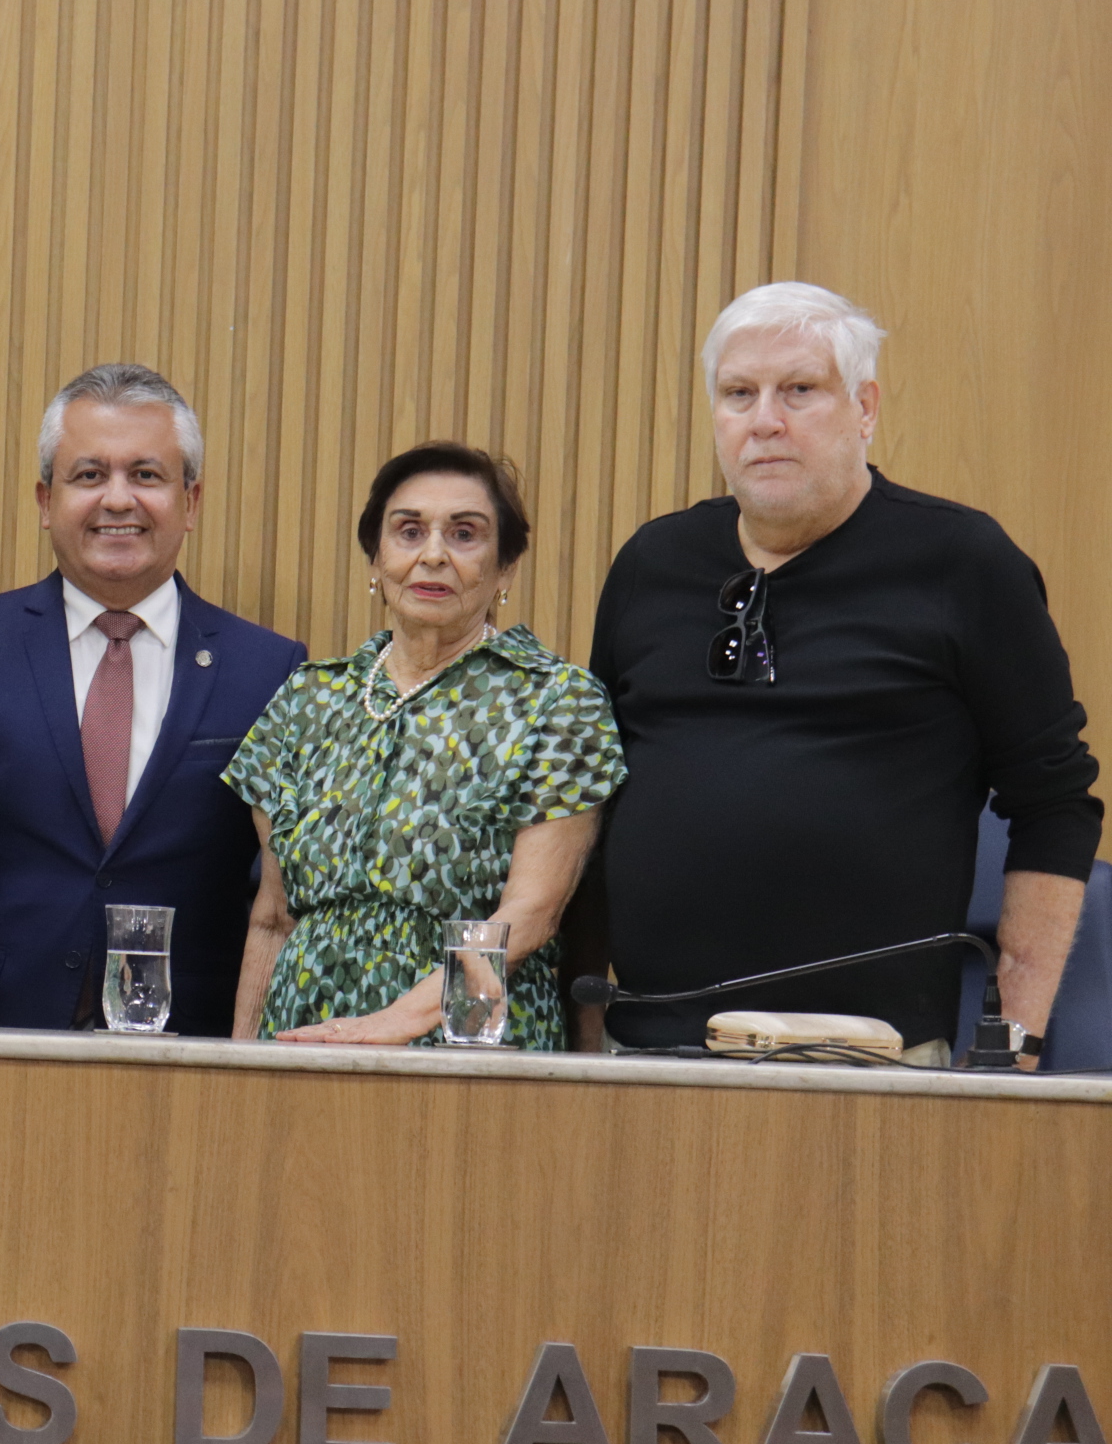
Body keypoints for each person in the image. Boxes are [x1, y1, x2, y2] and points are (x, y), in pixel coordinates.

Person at [583, 281, 1100, 1061]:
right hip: (647, 1050)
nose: (766, 420)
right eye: (739, 394)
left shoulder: (962, 563)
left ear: (865, 407)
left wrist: (1015, 1049)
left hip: (874, 1064)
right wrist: (583, 1029)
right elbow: (590, 797)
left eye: (800, 390)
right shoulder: (651, 563)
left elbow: (1054, 803)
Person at [0, 364, 305, 1034]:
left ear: (191, 502)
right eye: (90, 474)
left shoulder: (268, 669)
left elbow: (275, 900)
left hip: (194, 1048)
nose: (118, 499)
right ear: (46, 501)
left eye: (147, 475)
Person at [223, 443, 623, 1048]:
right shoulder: (307, 698)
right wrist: (242, 1064)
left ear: (506, 567)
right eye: (409, 532)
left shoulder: (559, 700)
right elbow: (273, 918)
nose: (433, 555)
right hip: (304, 1039)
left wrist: (396, 1023)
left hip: (471, 1042)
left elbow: (530, 915)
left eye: (464, 534)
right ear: (376, 559)